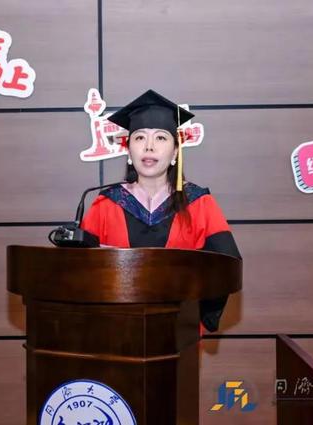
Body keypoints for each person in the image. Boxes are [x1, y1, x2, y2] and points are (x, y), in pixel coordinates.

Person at [80, 89, 241, 332]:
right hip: (114, 333)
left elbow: (227, 265)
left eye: (161, 138)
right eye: (140, 138)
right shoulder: (105, 204)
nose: (149, 147)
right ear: (129, 151)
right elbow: (80, 272)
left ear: (175, 152)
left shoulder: (199, 203)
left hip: (178, 334)